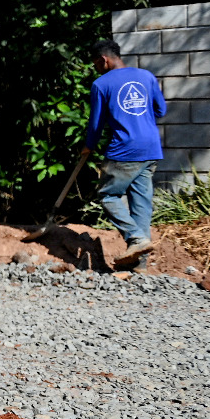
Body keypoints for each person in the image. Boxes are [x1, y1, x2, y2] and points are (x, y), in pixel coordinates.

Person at [84, 39, 166, 265]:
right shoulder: (147, 76)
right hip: (150, 149)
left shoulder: (101, 84)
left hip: (124, 150)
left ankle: (136, 238)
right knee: (141, 205)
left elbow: (96, 124)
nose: (96, 69)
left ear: (104, 60)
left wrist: (89, 146)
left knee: (107, 195)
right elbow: (161, 109)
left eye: (96, 64)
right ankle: (140, 265)